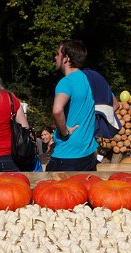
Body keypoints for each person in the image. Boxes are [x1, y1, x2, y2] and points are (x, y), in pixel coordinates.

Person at [48, 40, 97, 171]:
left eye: (58, 54)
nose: (55, 57)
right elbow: (113, 105)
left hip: (67, 155)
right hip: (88, 154)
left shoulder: (66, 82)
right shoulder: (90, 80)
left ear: (66, 58)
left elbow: (57, 110)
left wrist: (64, 132)